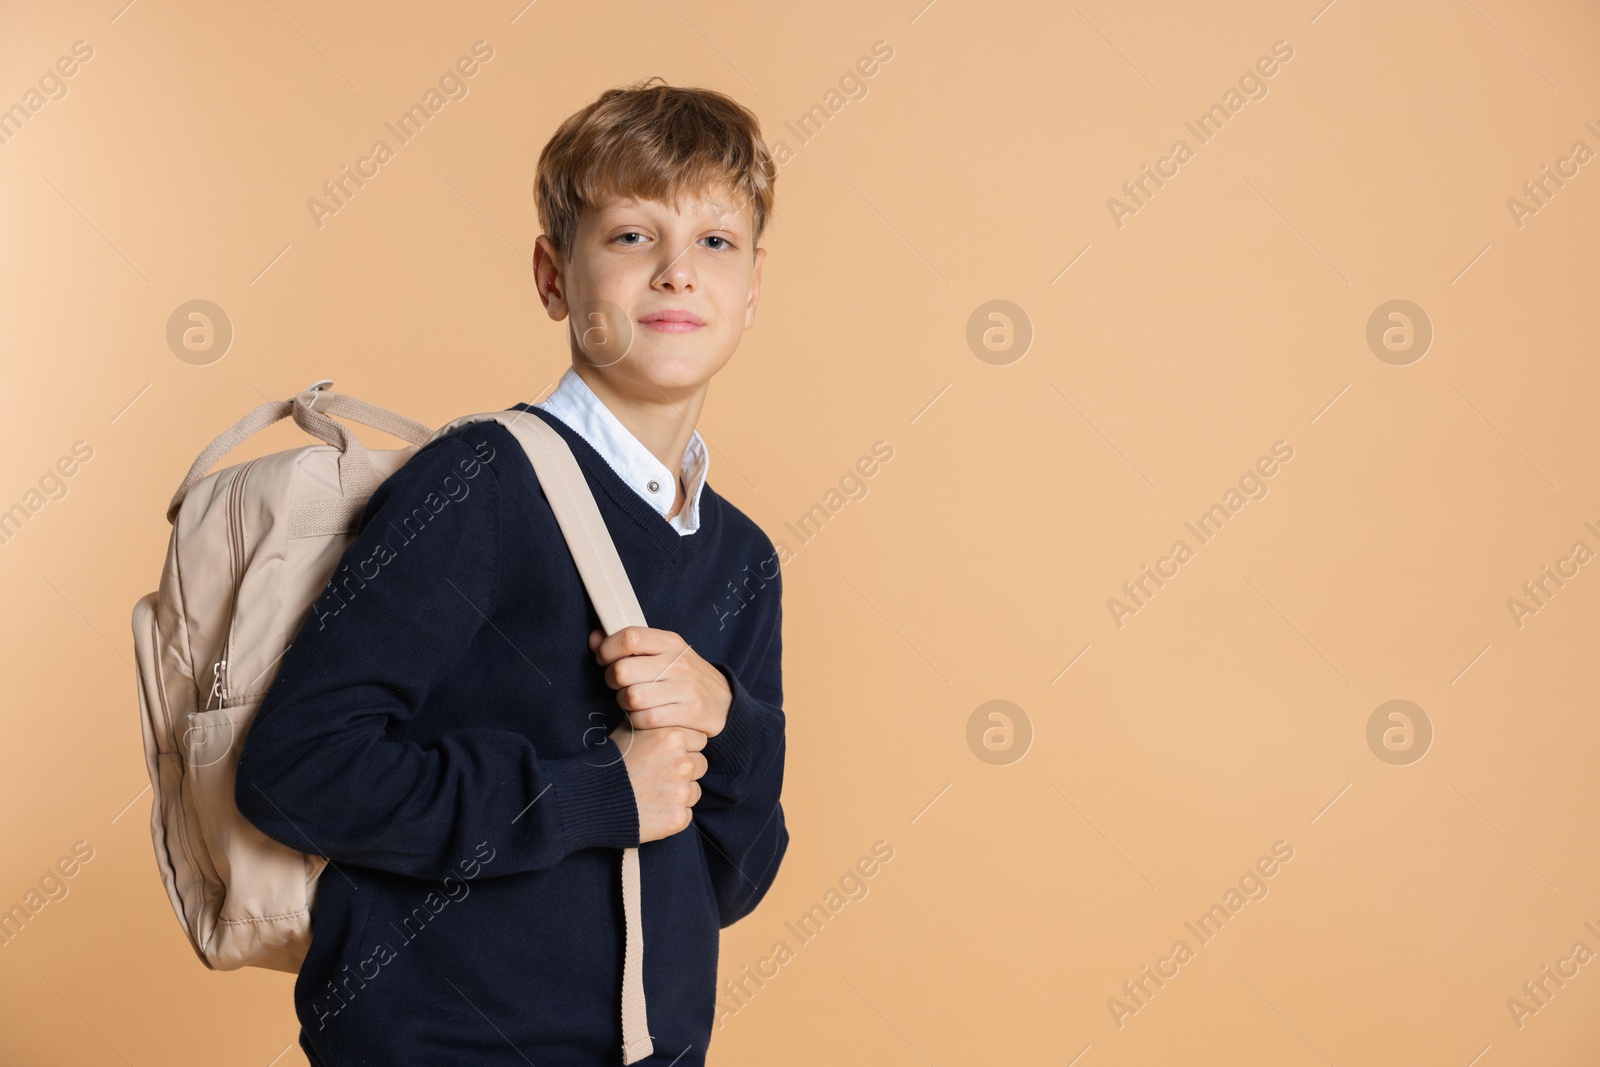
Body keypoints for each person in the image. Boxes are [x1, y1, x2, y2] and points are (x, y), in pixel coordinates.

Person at [234, 77, 787, 1066]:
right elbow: (296, 771)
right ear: (552, 274)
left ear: (753, 288)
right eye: (629, 236)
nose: (675, 272)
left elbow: (729, 881)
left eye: (714, 241)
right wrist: (592, 793)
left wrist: (724, 714)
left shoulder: (742, 556)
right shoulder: (480, 483)